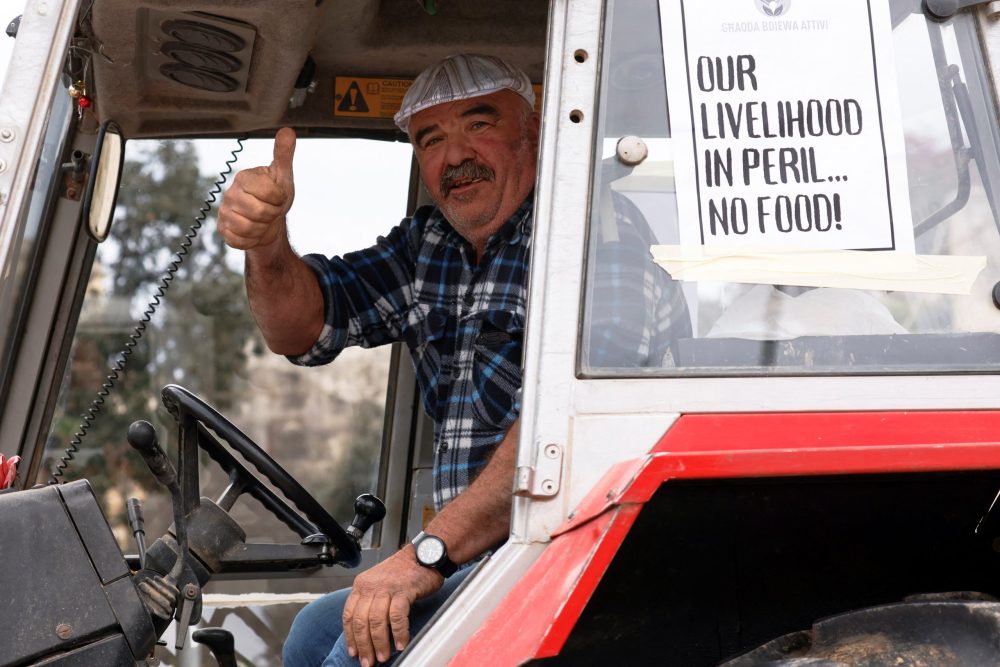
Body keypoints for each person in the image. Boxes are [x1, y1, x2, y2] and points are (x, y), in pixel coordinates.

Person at [217, 54, 539, 667]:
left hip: (556, 556)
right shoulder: (430, 248)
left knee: (355, 656)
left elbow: (557, 441)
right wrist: (266, 244)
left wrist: (424, 556)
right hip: (475, 557)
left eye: (478, 125)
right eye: (431, 139)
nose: (455, 155)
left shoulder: (585, 241)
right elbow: (302, 326)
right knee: (315, 630)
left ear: (535, 131)